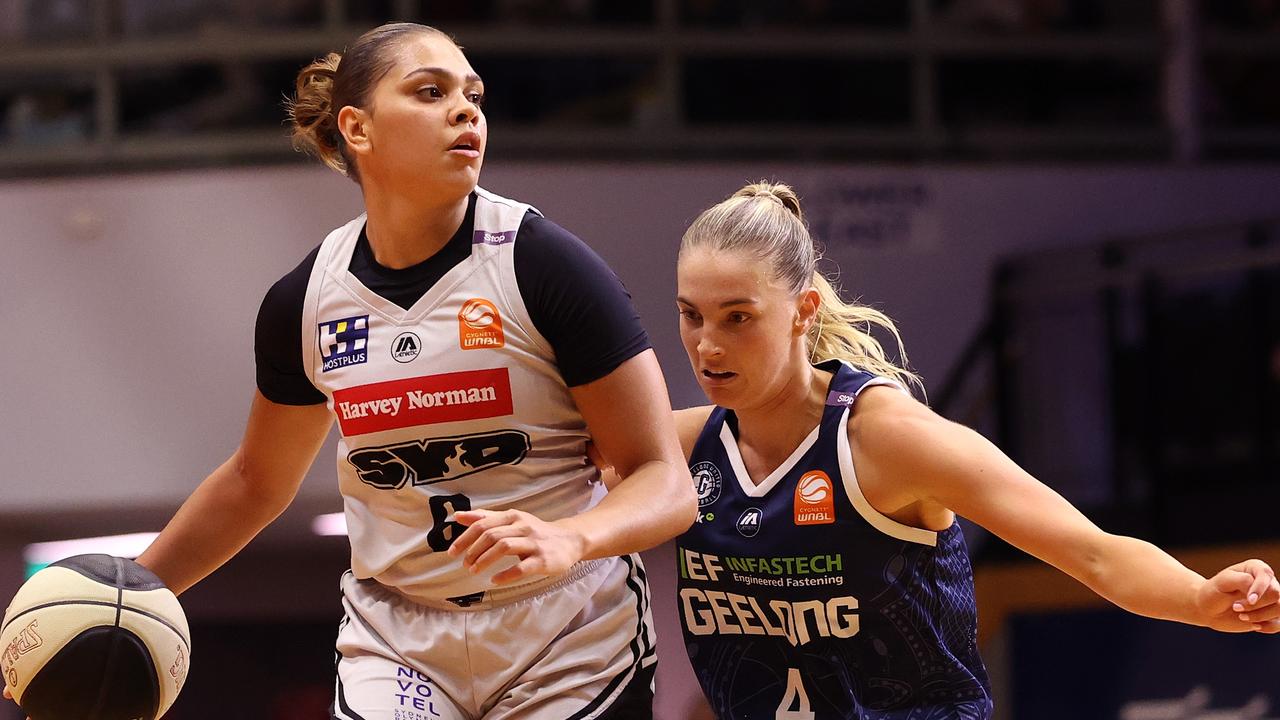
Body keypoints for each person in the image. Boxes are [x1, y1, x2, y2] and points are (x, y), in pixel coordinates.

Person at [3, 22, 695, 720]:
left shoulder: (545, 265)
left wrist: (570, 537)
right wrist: (115, 601)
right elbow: (254, 482)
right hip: (400, 637)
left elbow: (663, 480)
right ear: (356, 128)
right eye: (431, 92)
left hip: (567, 625)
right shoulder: (305, 300)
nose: (466, 111)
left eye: (473, 96)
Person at [661, 182, 1278, 718]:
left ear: (803, 311)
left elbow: (1093, 554)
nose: (707, 345)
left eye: (737, 318)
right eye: (692, 316)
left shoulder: (889, 440)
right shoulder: (682, 448)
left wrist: (1200, 598)